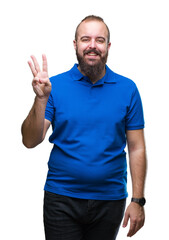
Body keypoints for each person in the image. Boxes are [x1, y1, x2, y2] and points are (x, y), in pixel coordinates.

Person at [21, 15, 147, 240]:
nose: (92, 45)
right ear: (75, 44)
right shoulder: (54, 86)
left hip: (110, 200)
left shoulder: (128, 89)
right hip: (61, 199)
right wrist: (41, 99)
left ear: (108, 47)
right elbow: (30, 141)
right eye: (85, 39)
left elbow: (137, 147)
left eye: (99, 40)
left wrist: (138, 200)